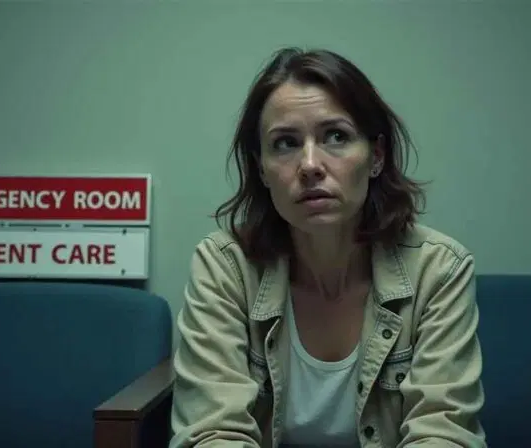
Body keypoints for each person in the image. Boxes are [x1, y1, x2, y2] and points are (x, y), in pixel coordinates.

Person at [169, 47, 487, 448]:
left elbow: (443, 435)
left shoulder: (438, 269)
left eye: (336, 137)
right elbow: (212, 433)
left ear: (376, 156)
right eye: (285, 143)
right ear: (262, 169)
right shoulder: (225, 267)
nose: (310, 165)